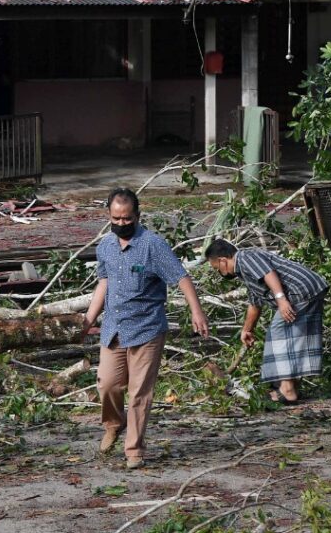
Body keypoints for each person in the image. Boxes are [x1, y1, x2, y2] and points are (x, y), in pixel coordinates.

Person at [83, 188, 210, 470]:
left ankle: (134, 450)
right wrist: (88, 320)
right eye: (116, 218)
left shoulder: (153, 245)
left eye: (127, 219)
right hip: (114, 328)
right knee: (107, 383)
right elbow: (103, 283)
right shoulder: (105, 246)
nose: (122, 224)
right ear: (108, 216)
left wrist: (197, 312)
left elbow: (181, 278)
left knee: (140, 392)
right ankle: (114, 425)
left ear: (137, 216)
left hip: (147, 328)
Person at [205, 239, 328, 405]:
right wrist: (247, 330)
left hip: (299, 290)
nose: (220, 272)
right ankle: (292, 387)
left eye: (216, 268)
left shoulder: (246, 257)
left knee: (279, 332)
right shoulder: (245, 272)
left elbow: (269, 273)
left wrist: (281, 299)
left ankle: (287, 390)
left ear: (222, 261)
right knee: (295, 337)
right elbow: (255, 304)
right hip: (309, 288)